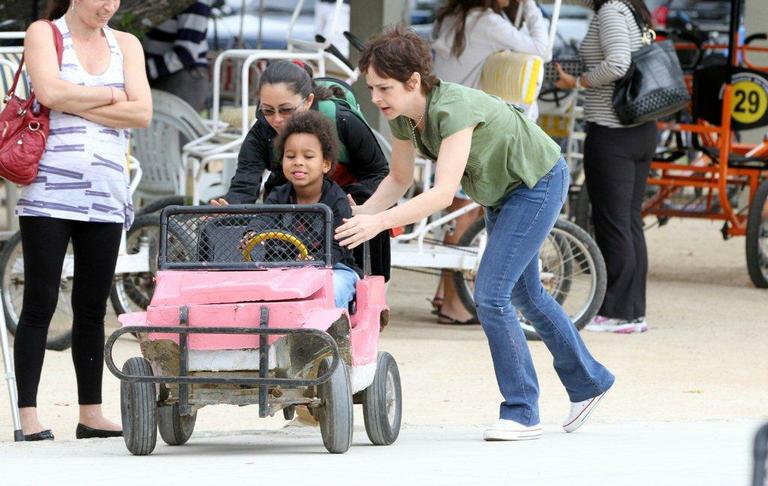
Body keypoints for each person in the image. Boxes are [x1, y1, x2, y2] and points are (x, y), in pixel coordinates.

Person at [336, 25, 614, 441]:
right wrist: (360, 214)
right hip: (502, 191)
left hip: (535, 182)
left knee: (491, 293)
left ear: (414, 82)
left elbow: (444, 192)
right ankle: (589, 383)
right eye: (372, 88)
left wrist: (376, 221)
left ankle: (522, 412)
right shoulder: (403, 116)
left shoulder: (452, 109)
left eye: (383, 88)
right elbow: (397, 178)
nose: (375, 98)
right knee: (525, 294)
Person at [17, 0, 152, 441]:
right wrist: (115, 97)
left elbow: (143, 113)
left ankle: (90, 413)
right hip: (49, 193)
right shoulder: (45, 33)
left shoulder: (126, 44)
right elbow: (49, 94)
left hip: (107, 195)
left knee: (92, 309)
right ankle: (29, 416)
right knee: (39, 302)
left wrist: (76, 102)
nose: (108, 5)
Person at [211, 60, 391, 281]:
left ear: (308, 102)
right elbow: (244, 186)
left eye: (286, 110)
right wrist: (229, 208)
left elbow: (380, 171)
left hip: (347, 203)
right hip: (292, 203)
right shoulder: (261, 132)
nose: (277, 120)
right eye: (268, 111)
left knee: (348, 266)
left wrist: (357, 201)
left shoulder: (343, 120)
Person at [429, 0, 551, 324]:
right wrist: (533, 7)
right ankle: (454, 304)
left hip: (444, 117)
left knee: (456, 213)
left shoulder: (456, 15)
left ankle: (447, 295)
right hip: (462, 122)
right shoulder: (487, 21)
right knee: (464, 214)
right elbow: (542, 49)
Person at [555, 0, 655, 334]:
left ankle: (617, 313)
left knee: (612, 223)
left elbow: (617, 64)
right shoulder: (631, 9)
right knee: (628, 222)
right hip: (639, 130)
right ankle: (633, 312)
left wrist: (579, 82)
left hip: (613, 131)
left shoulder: (610, 11)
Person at [265, 110, 361, 309]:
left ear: (325, 164)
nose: (298, 161)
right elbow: (262, 221)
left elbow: (340, 245)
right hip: (285, 269)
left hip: (335, 268)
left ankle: (323, 332)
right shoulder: (277, 196)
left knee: (332, 288)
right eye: (290, 156)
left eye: (308, 156)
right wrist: (251, 232)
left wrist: (316, 262)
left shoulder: (336, 199)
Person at [143, 0, 213, 111]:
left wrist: (147, 69)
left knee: (175, 124)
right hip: (158, 72)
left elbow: (186, 52)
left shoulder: (196, 3)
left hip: (183, 76)